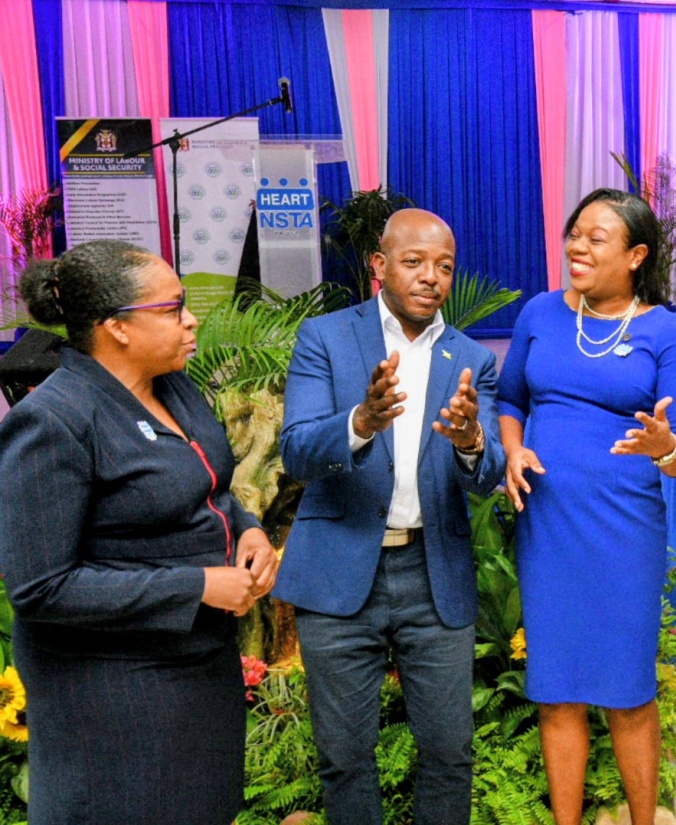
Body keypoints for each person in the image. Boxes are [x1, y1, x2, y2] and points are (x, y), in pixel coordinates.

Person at [0, 240, 277, 824]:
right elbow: (41, 587)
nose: (191, 318)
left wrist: (247, 529)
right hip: (113, 695)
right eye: (172, 308)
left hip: (198, 670)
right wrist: (196, 585)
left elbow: (207, 484)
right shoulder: (54, 420)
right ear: (116, 328)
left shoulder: (171, 386)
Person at [274, 208, 504, 825]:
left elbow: (489, 478)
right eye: (414, 262)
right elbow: (296, 449)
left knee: (449, 751)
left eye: (445, 267)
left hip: (434, 577)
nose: (432, 277)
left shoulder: (472, 358)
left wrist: (471, 441)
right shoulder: (325, 337)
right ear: (379, 266)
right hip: (339, 574)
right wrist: (360, 422)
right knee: (345, 755)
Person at [498, 188, 676, 825]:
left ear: (637, 255)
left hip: (623, 532)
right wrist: (511, 452)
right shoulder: (540, 313)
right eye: (574, 233)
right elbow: (509, 402)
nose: (577, 247)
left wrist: (665, 445)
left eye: (596, 238)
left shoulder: (665, 331)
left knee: (628, 689)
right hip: (548, 528)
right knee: (556, 690)